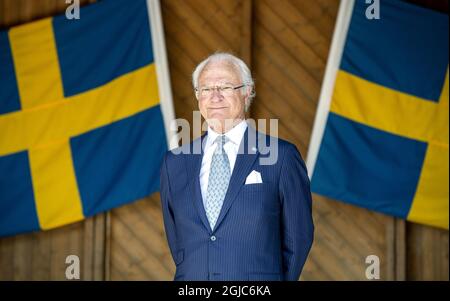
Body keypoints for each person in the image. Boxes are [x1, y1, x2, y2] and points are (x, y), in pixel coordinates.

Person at [160, 52, 314, 281]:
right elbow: (177, 242)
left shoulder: (281, 157)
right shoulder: (174, 163)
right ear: (197, 96)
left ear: (247, 91)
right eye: (206, 89)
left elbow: (298, 237)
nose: (215, 97)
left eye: (225, 87)